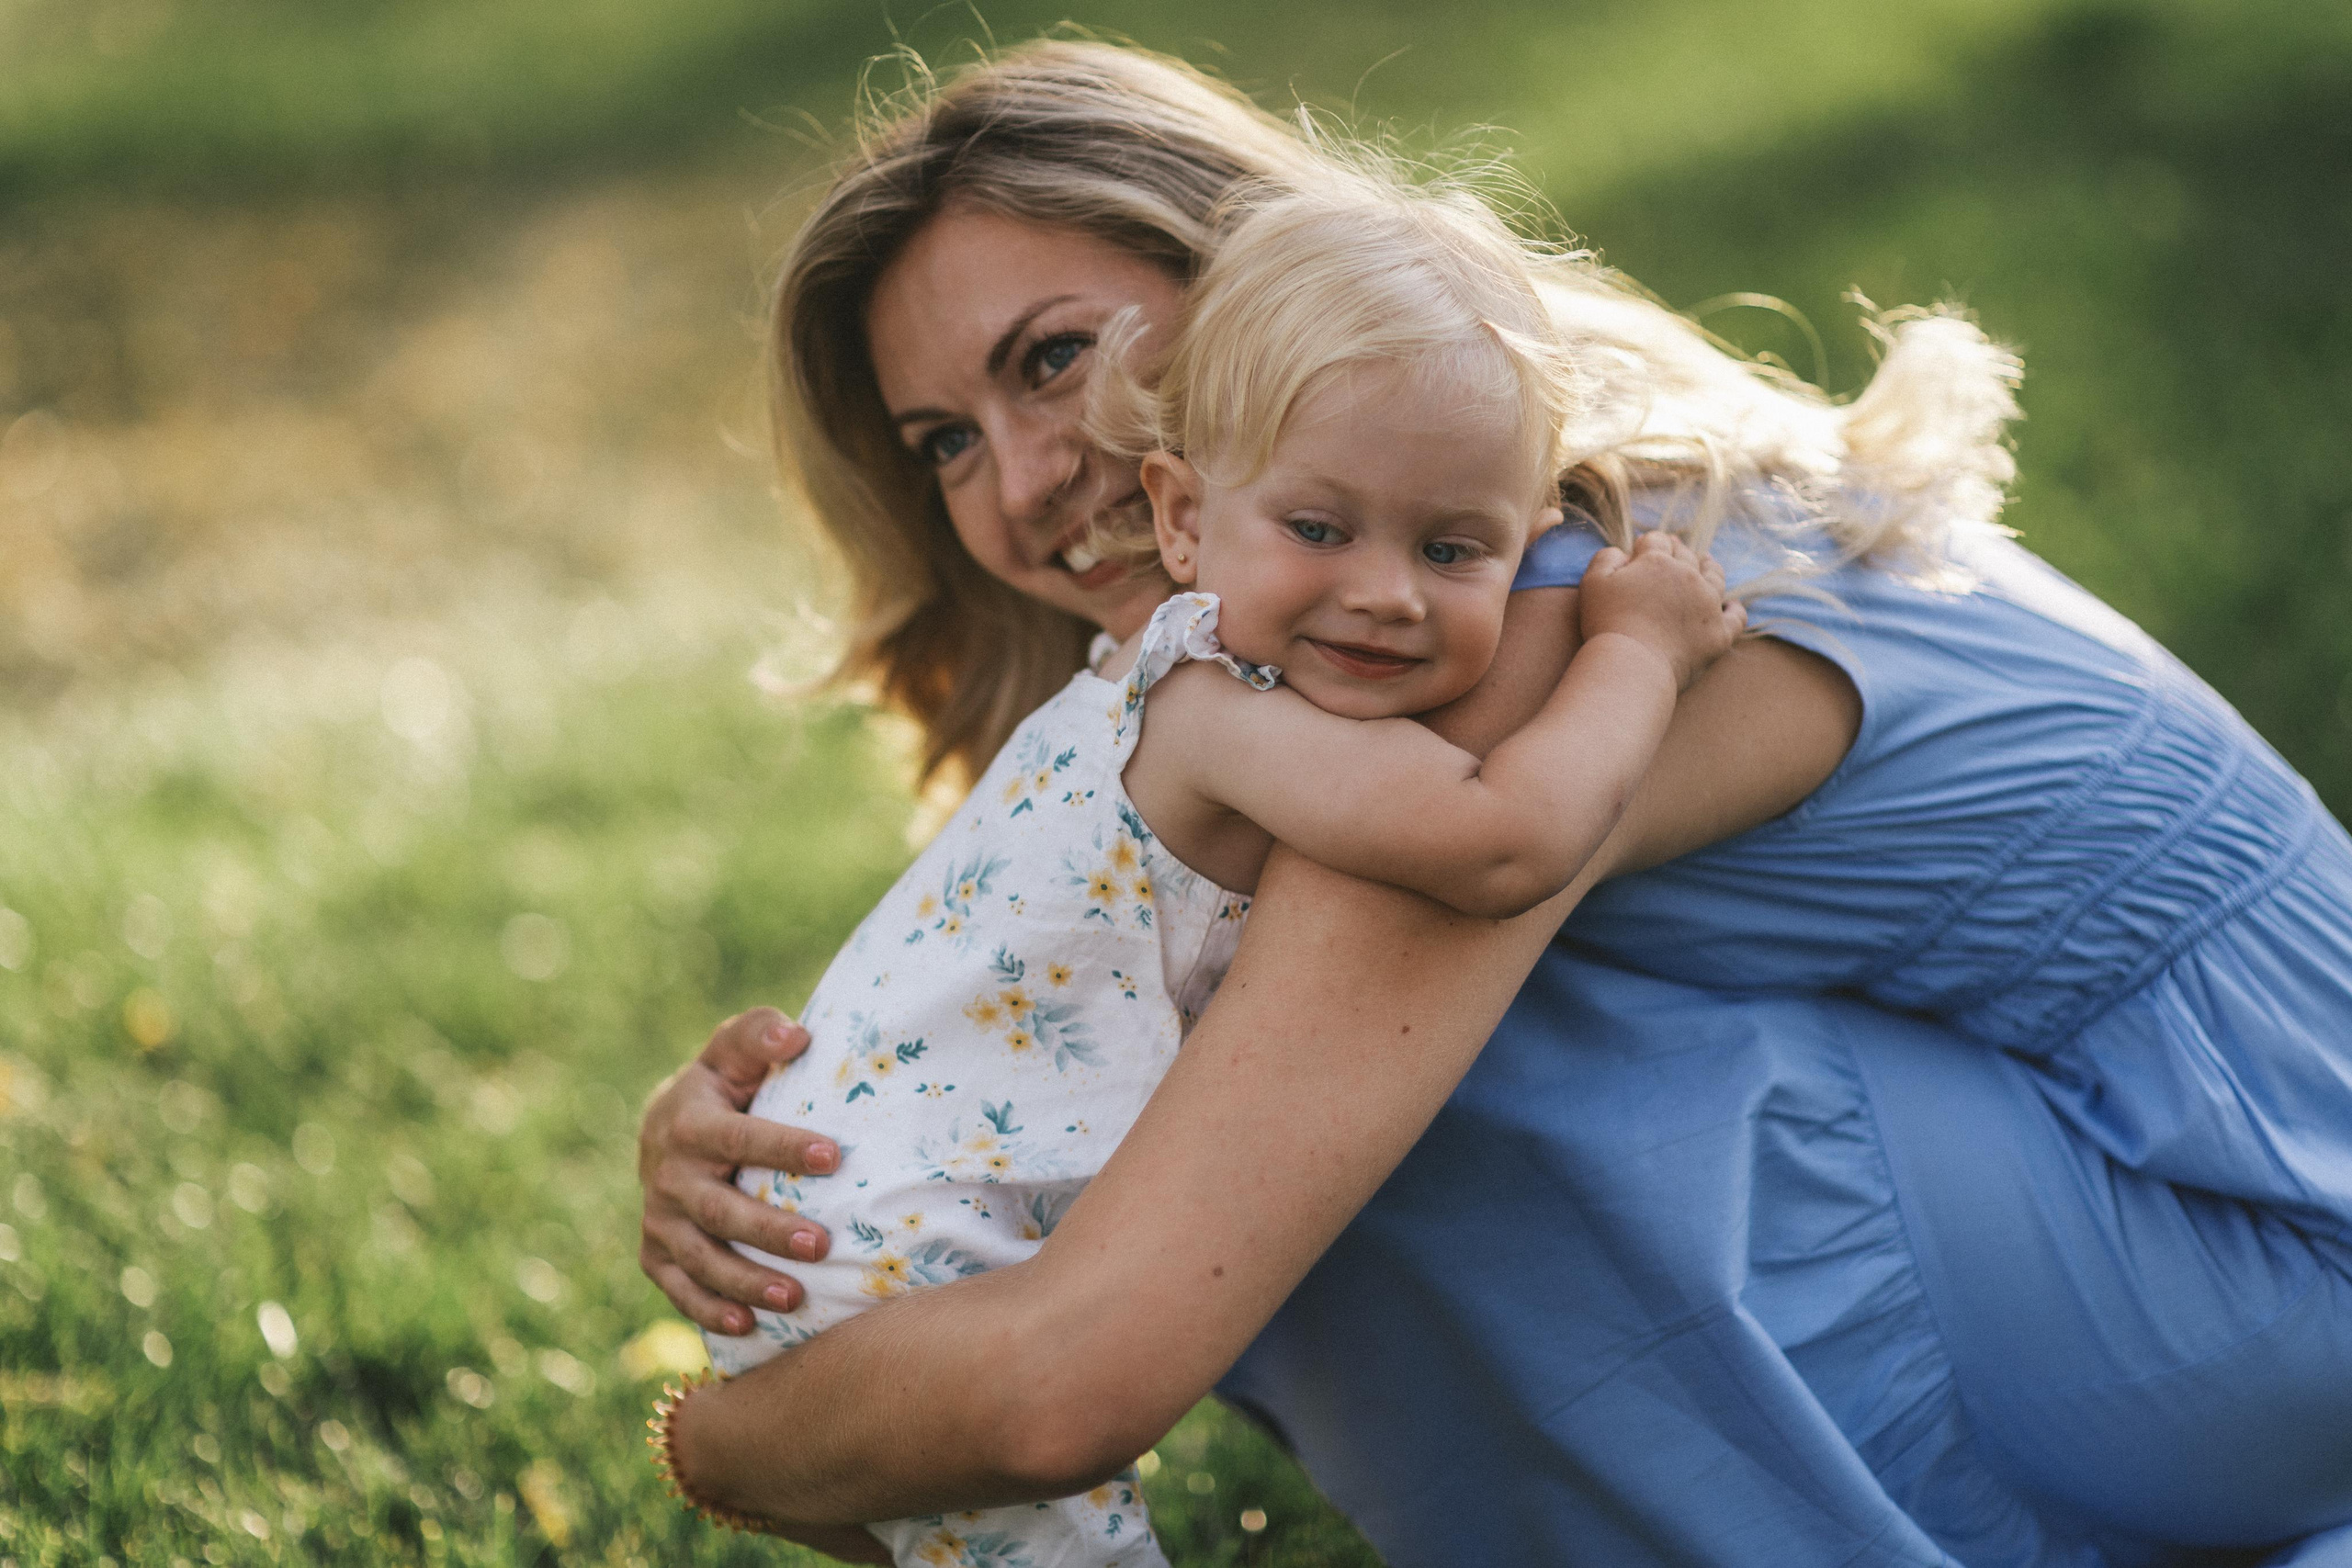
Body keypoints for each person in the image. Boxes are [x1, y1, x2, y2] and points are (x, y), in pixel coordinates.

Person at [634, 38, 2352, 1567]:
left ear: (1264, 281)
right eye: (941, 439)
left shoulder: (1533, 611)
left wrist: (736, 1434)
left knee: (1363, 1078)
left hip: (2272, 1246)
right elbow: (1050, 1015)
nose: (1015, 483)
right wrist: (833, 1154)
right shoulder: (1391, 600)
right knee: (1248, 1053)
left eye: (1054, 358)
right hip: (2165, 1242)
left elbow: (1064, 1388)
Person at [687, 169, 1742, 1568]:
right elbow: (1503, 838)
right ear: (1184, 516)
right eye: (1320, 529)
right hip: (917, 1240)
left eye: (1454, 548)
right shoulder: (1214, 712)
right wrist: (1639, 651)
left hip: (845, 1224)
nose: (1382, 591)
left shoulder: (1126, 684)